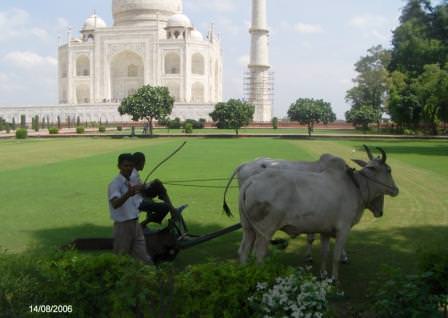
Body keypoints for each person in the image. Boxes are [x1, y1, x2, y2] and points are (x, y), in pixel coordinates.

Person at [108, 153, 153, 264]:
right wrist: (128, 194)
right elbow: (115, 203)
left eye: (131, 166)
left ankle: (149, 277)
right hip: (122, 226)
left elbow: (138, 192)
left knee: (144, 259)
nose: (128, 168)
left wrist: (142, 187)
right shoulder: (115, 184)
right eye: (126, 165)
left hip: (135, 224)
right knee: (120, 259)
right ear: (119, 166)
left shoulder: (130, 181)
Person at [130, 152, 188, 237]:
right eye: (144, 162)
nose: (144, 164)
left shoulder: (134, 172)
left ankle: (172, 211)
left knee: (157, 183)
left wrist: (148, 185)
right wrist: (147, 186)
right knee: (164, 204)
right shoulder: (132, 174)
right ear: (140, 161)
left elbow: (141, 187)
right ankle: (172, 211)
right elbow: (137, 189)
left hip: (140, 197)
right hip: (137, 201)